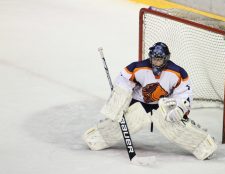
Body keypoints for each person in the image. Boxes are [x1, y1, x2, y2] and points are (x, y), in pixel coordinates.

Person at [83, 42, 217, 160]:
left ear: (166, 59)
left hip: (162, 105)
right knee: (127, 122)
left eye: (160, 60)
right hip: (138, 102)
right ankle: (96, 137)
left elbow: (184, 94)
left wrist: (180, 109)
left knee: (174, 124)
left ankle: (203, 144)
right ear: (150, 57)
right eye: (154, 59)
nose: (156, 63)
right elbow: (123, 82)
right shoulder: (138, 67)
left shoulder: (177, 72)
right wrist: (119, 101)